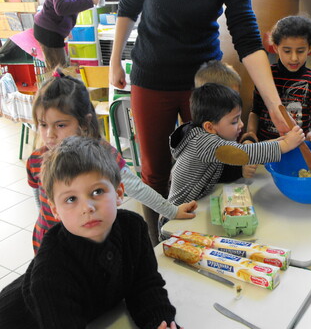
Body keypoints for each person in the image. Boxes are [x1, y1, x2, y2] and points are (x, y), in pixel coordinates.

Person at [109, 0, 288, 238]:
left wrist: (275, 106)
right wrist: (115, 59)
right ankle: (158, 241)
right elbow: (128, 7)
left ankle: (202, 235)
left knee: (214, 160)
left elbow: (248, 39)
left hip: (205, 83)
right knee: (156, 171)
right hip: (153, 78)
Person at [0, 136, 180, 329]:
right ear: (55, 210)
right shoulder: (50, 270)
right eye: (70, 199)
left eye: (97, 192)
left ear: (119, 193)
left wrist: (160, 322)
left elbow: (144, 285)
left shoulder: (133, 228)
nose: (87, 208)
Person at [28, 70, 196, 251]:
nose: (50, 135)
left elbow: (137, 188)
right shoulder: (36, 160)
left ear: (84, 123)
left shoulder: (103, 155)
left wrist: (172, 211)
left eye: (60, 125)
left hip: (92, 245)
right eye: (43, 125)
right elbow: (39, 197)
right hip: (51, 244)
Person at [159, 83, 304, 233]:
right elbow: (244, 153)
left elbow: (244, 151)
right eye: (234, 121)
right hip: (174, 220)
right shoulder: (203, 142)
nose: (241, 124)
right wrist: (286, 144)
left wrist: (282, 140)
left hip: (195, 208)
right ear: (209, 127)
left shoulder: (210, 136)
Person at [33, 0, 120, 74]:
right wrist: (91, 1)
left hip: (57, 28)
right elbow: (61, 7)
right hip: (48, 30)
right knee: (60, 75)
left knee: (61, 72)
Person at [247, 15, 311, 142]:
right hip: (267, 146)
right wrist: (251, 134)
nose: (294, 58)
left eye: (300, 51)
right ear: (275, 48)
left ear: (310, 49)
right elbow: (255, 112)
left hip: (298, 147)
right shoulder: (265, 75)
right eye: (287, 51)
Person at [195, 60, 257, 179]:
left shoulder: (229, 120)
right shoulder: (200, 139)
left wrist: (248, 141)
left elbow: (241, 140)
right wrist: (240, 171)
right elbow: (211, 173)